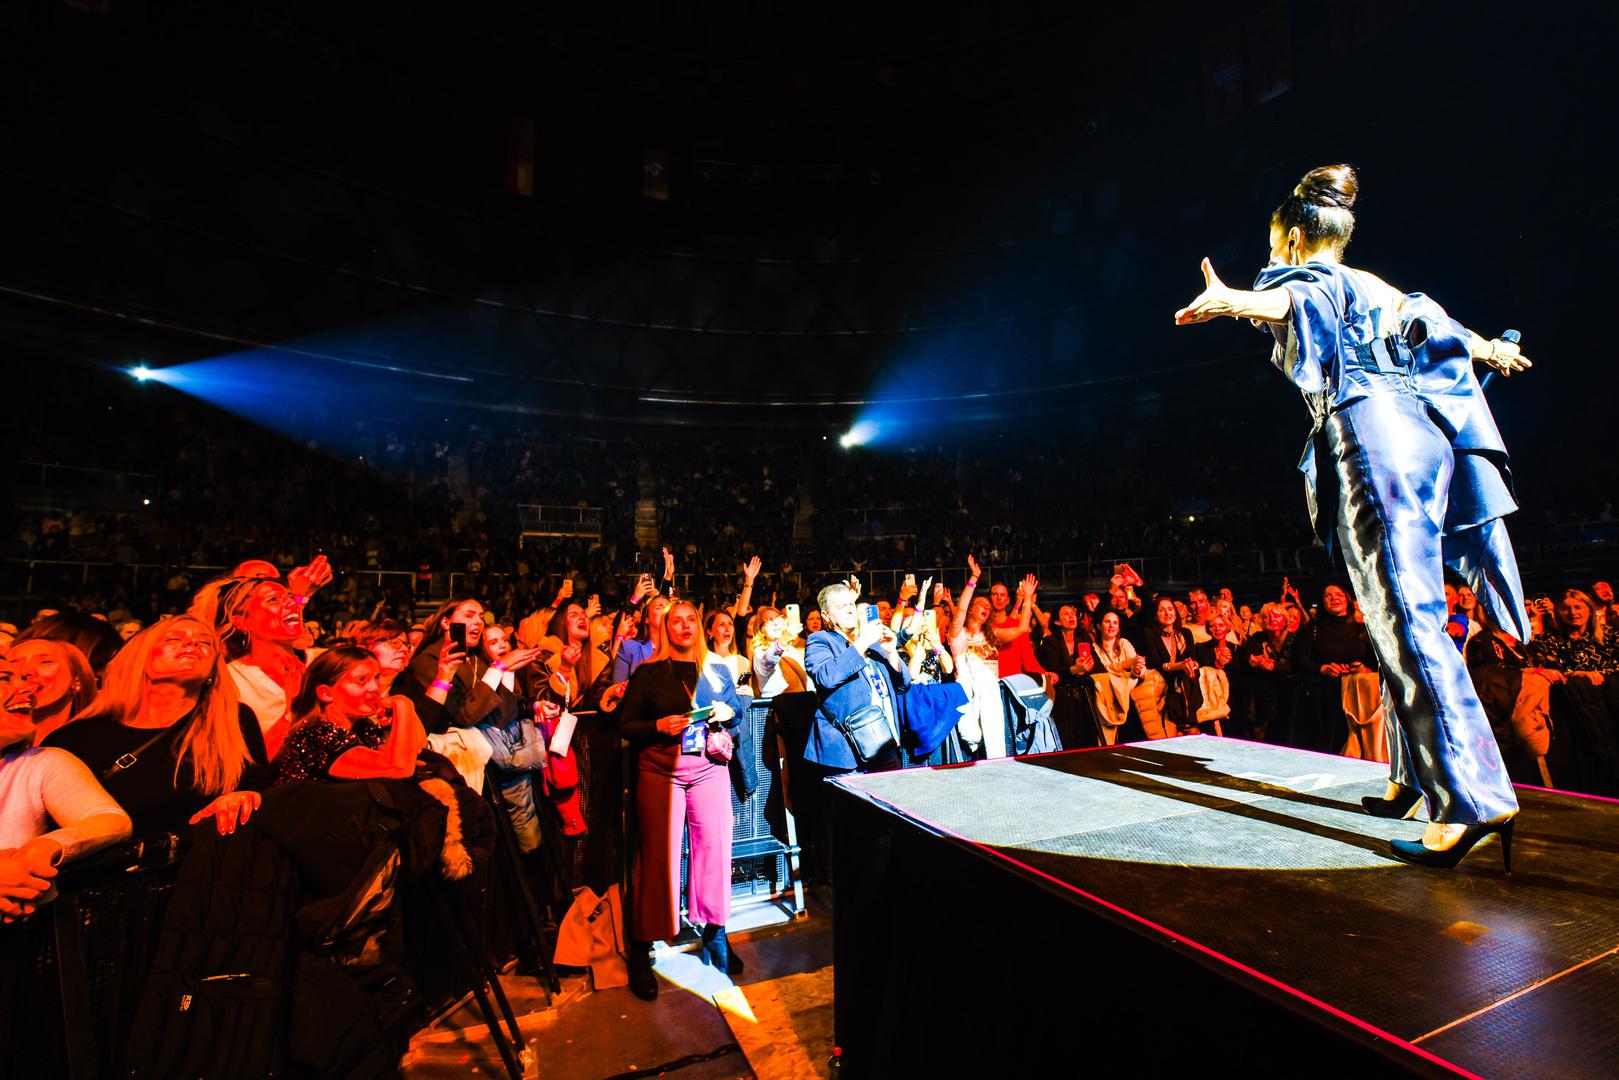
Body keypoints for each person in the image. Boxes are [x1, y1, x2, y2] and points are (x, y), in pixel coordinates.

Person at [1174, 163, 1528, 868]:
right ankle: (1410, 773)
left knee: (1403, 612)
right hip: (1423, 439)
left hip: (1371, 436)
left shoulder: (1308, 276)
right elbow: (1445, 329)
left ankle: (1471, 798)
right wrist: (1492, 349)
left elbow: (1296, 303)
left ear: (1299, 234)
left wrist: (1234, 300)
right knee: (1394, 610)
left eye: (1276, 241)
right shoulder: (1375, 283)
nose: (1272, 253)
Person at [616, 600, 745, 999]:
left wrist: (729, 711)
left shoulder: (718, 668)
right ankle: (642, 946)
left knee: (715, 852)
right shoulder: (649, 672)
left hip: (709, 768)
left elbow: (740, 712)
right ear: (665, 628)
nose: (685, 626)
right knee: (659, 860)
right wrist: (656, 724)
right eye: (677, 621)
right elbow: (625, 724)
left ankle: (715, 930)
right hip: (660, 772)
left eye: (692, 620)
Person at [45, 617, 273, 839]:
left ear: (213, 670)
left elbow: (260, 794)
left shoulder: (234, 721)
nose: (193, 643)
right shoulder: (77, 738)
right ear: (139, 658)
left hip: (204, 868)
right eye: (173, 638)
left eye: (206, 642)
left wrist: (241, 799)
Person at [1, 659, 132, 922]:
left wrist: (41, 849)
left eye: (24, 679)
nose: (27, 689)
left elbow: (109, 819)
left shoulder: (40, 763)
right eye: (4, 678)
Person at [5, 638, 96, 746]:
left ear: (77, 680)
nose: (25, 671)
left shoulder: (97, 741)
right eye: (14, 664)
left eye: (45, 662)